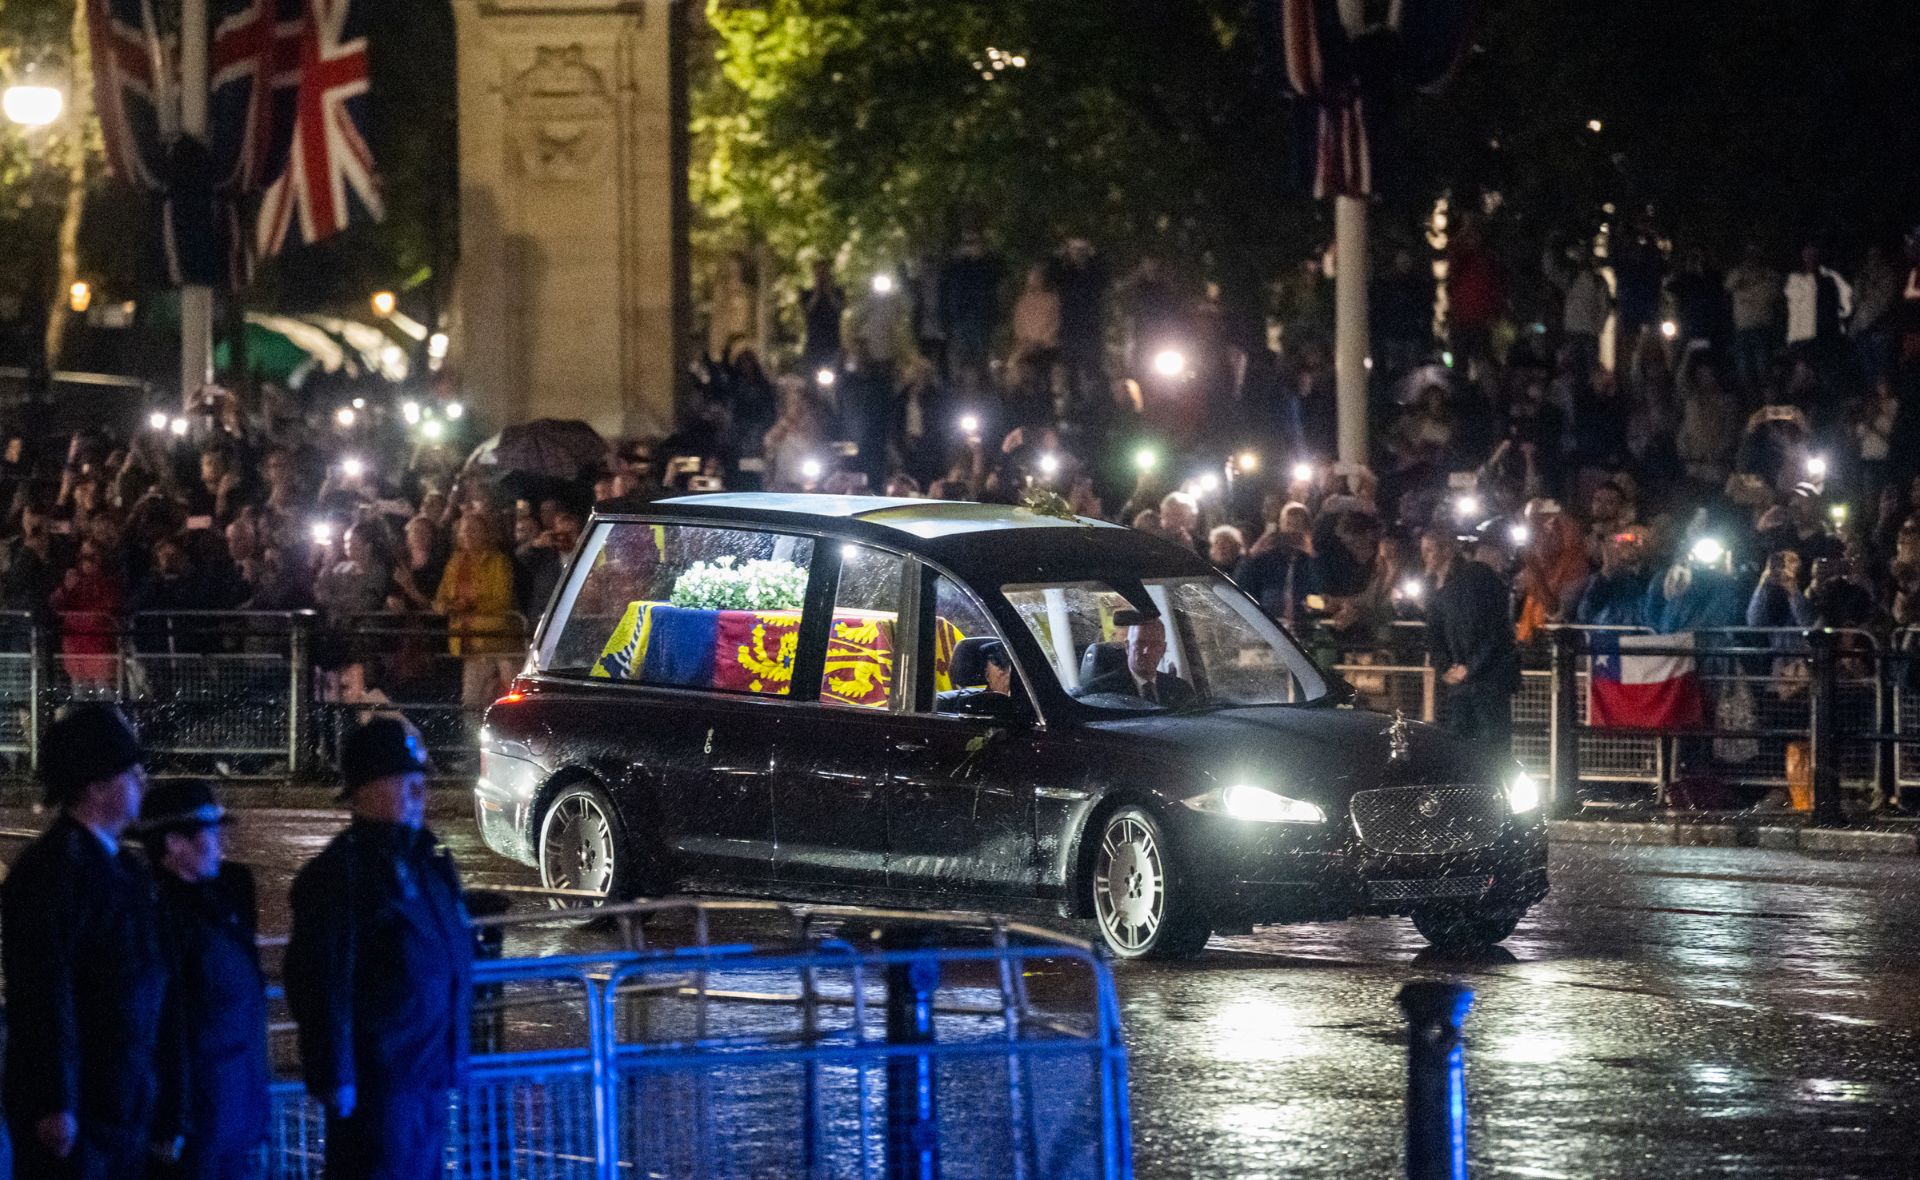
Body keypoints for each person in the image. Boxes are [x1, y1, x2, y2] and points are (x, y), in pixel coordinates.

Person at [285, 717, 473, 1180]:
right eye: (403, 781)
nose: (419, 793)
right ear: (365, 790)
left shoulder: (429, 861)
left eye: (420, 781)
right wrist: (337, 1075)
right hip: (379, 1085)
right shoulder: (339, 876)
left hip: (427, 1077)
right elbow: (323, 983)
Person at [3, 705, 174, 1179]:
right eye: (131, 771)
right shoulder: (53, 872)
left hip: (119, 1098)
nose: (143, 781)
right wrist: (55, 1101)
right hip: (84, 1112)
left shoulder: (116, 866)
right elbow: (43, 992)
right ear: (96, 786)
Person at [139, 780, 269, 1180]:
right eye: (210, 832)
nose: (221, 843)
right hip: (199, 1124)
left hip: (230, 1115)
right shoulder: (162, 922)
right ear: (175, 844)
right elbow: (168, 1026)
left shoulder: (217, 906)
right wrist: (171, 1120)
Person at [1421, 530, 1519, 749]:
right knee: (1483, 749)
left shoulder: (1457, 585)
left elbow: (1434, 636)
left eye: (1429, 550)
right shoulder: (1481, 583)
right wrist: (1459, 667)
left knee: (1468, 747)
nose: (1425, 557)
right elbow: (1495, 634)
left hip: (1470, 682)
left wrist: (1455, 668)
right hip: (1479, 681)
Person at [1079, 612, 1196, 707]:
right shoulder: (1099, 691)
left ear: (1163, 649)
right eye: (1140, 643)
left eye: (1155, 645)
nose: (1146, 651)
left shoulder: (1181, 689)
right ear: (1127, 647)